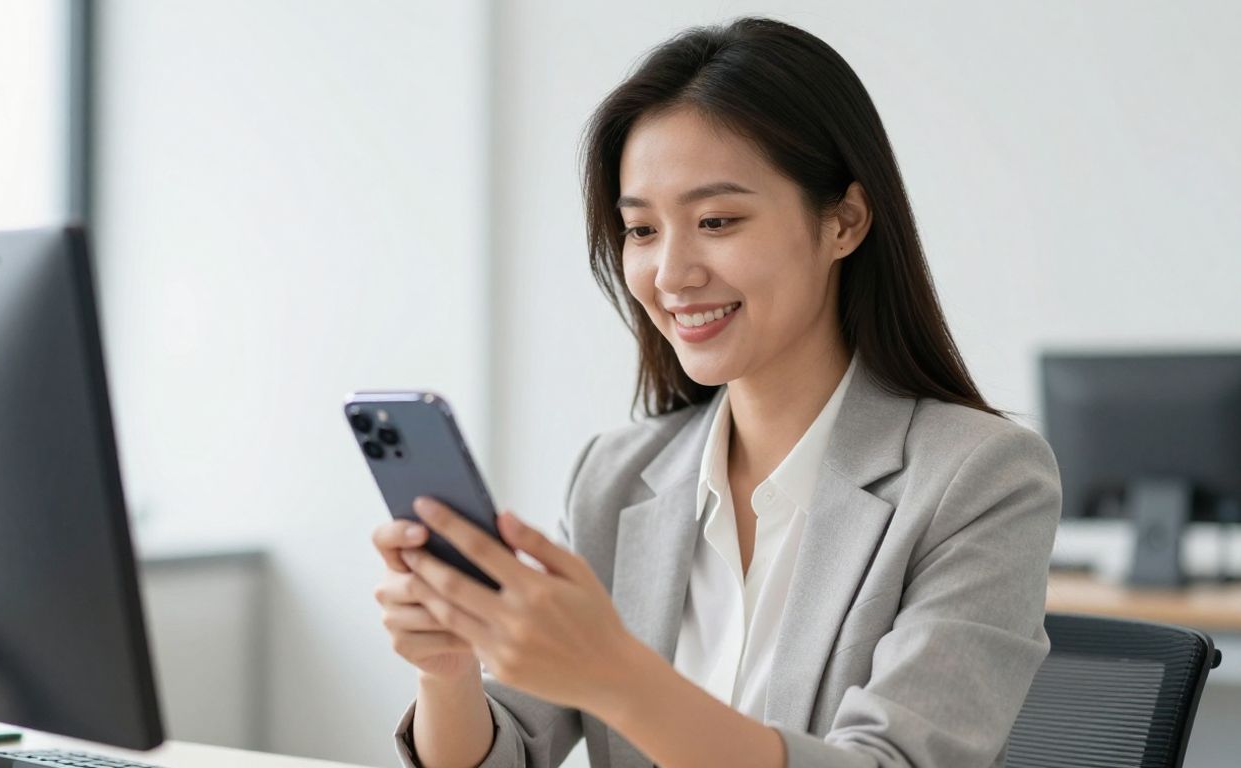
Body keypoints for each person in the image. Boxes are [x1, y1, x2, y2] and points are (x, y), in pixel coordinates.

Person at [372, 16, 1060, 768]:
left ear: (845, 222)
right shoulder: (616, 478)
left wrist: (618, 678)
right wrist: (449, 673)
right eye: (641, 231)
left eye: (717, 220)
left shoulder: (982, 478)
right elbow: (507, 755)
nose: (671, 273)